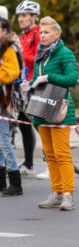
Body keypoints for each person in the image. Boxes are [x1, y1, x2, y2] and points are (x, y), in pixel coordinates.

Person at [21, 16, 79, 211]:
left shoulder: (65, 54)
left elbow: (72, 79)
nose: (42, 36)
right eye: (41, 32)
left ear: (56, 34)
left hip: (60, 109)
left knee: (62, 155)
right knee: (50, 155)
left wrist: (48, 76)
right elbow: (38, 80)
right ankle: (57, 193)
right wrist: (29, 85)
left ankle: (68, 195)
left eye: (46, 32)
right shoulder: (41, 54)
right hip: (41, 108)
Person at [15, 0, 41, 177]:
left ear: (33, 17)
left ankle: (51, 163)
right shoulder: (22, 36)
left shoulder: (39, 33)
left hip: (37, 84)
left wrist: (21, 55)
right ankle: (29, 163)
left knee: (41, 126)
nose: (20, 19)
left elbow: (40, 57)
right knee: (24, 125)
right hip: (23, 86)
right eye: (19, 16)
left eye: (24, 15)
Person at [0, 17, 23, 197]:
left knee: (5, 142)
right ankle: (1, 181)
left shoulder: (8, 48)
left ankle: (16, 183)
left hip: (4, 101)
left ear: (4, 31)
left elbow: (11, 73)